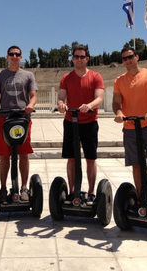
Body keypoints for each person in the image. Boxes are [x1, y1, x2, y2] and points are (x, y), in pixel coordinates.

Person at [112, 47, 147, 217]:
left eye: (130, 57)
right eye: (124, 59)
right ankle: (140, 199)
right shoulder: (119, 80)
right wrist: (119, 113)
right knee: (136, 165)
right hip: (130, 126)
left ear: (136, 57)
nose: (127, 61)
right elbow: (116, 102)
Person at [57, 44, 104, 206]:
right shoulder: (66, 78)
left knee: (90, 158)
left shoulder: (96, 76)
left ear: (87, 59)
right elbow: (61, 97)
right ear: (72, 58)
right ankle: (72, 191)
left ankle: (91, 192)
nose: (79, 59)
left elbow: (99, 98)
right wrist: (61, 105)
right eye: (76, 56)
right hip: (71, 121)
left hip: (89, 122)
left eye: (82, 57)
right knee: (71, 158)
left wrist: (90, 105)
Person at [0, 45, 38, 203]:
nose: (14, 56)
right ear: (7, 57)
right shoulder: (0, 75)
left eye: (17, 54)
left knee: (23, 154)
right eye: (11, 54)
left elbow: (33, 95)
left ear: (21, 57)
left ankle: (24, 187)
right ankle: (3, 188)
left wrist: (31, 105)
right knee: (5, 155)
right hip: (5, 118)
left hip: (22, 119)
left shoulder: (28, 75)